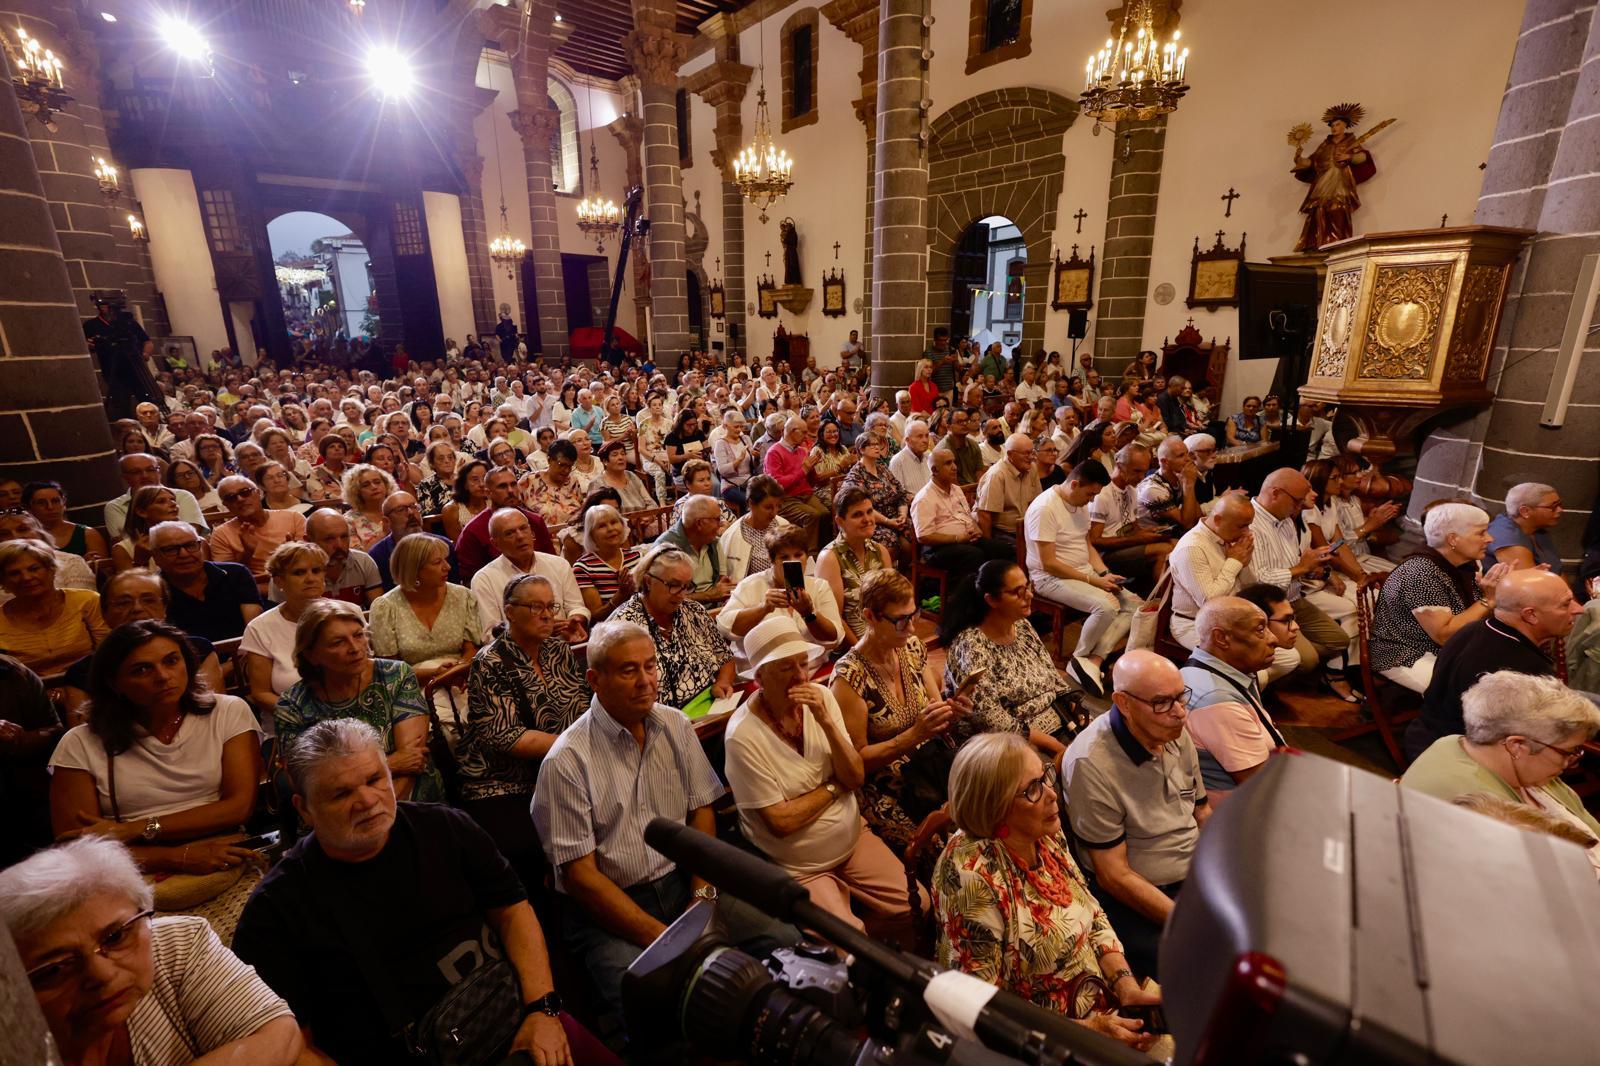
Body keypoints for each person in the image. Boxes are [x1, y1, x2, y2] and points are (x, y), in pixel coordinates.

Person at [232, 719, 601, 1066]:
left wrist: (543, 1010)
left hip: (515, 1024)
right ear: (305, 809)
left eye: (375, 779)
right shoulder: (274, 910)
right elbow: (290, 1043)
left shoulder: (446, 827)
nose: (367, 800)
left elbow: (513, 912)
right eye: (341, 793)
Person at [531, 620, 789, 1025]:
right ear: (594, 680)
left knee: (784, 941)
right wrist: (666, 938)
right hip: (612, 908)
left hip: (683, 882)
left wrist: (702, 898)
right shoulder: (566, 762)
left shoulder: (675, 724)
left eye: (650, 666)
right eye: (628, 670)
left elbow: (701, 810)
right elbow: (581, 878)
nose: (645, 681)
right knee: (640, 1007)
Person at [933, 733, 1160, 1050]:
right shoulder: (970, 877)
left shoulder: (1044, 832)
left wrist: (1125, 985)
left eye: (1044, 777)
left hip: (1098, 1002)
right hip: (1042, 1039)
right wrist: (1088, 1030)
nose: (1052, 794)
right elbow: (983, 1006)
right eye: (1032, 790)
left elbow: (1092, 913)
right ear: (996, 808)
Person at [1, 837, 303, 1066]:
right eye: (56, 967)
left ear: (146, 914)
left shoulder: (177, 942)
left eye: (116, 936)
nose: (102, 974)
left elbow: (278, 1032)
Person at [725, 614, 917, 937]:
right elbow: (781, 823)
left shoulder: (823, 698)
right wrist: (832, 787)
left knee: (916, 905)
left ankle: (857, 946)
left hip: (853, 838)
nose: (801, 677)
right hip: (800, 866)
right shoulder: (741, 736)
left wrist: (826, 721)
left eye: (803, 663)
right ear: (759, 677)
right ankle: (845, 945)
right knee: (847, 939)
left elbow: (854, 776)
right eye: (786, 668)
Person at [49, 621, 262, 879]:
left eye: (172, 661)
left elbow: (238, 807)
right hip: (126, 866)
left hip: (223, 848)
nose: (162, 676)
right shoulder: (79, 743)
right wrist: (176, 857)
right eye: (142, 669)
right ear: (114, 683)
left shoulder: (227, 711)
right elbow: (77, 846)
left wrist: (136, 828)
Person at [1061, 651, 1210, 978]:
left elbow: (1201, 812)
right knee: (1209, 966)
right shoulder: (1091, 763)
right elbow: (1114, 876)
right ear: (1123, 703)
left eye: (1181, 697)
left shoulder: (1172, 732)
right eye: (1162, 702)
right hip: (1143, 897)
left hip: (1194, 877)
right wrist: (1187, 921)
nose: (1180, 713)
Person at [457, 574, 590, 888]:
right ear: (509, 612)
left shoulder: (557, 651)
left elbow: (583, 708)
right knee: (525, 850)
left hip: (559, 767)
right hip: (502, 780)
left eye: (550, 606)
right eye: (535, 607)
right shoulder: (490, 662)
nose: (546, 615)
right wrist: (576, 747)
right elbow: (507, 737)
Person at [274, 599, 443, 802]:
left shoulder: (395, 675)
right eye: (338, 642)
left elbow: (413, 760)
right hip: (337, 808)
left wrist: (384, 811)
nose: (354, 648)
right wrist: (391, 763)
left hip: (410, 795)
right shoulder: (292, 705)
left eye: (358, 635)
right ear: (311, 655)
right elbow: (304, 781)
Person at [1401, 671, 1600, 842]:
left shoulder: (1457, 744)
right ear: (1517, 745)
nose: (1571, 762)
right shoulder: (1485, 811)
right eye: (1568, 752)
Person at [1409, 568, 1580, 762]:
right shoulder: (1524, 672)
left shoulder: (1472, 629)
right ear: (1530, 615)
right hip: (1465, 761)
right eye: (1566, 604)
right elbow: (1534, 744)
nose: (1578, 609)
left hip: (1425, 738)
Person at [1022, 460, 1141, 698]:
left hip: (1082, 572)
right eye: (1089, 494)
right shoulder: (1045, 508)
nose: (1091, 500)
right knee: (1106, 606)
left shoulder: (1080, 502)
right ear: (1074, 484)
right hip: (1049, 578)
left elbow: (1085, 544)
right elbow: (1049, 563)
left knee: (1137, 605)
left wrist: (1104, 573)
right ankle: (1080, 657)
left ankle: (1094, 659)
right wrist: (1093, 581)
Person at [941, 561, 1082, 756]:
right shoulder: (972, 646)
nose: (1029, 595)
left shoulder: (1022, 626)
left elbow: (1051, 675)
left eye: (1027, 587)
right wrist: (1053, 745)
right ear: (991, 600)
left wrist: (1071, 702)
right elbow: (991, 721)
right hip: (1005, 743)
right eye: (1018, 592)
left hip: (1054, 721)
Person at [1239, 468, 1359, 700]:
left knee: (1339, 640)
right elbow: (1258, 581)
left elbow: (1292, 564)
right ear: (1275, 493)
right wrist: (1302, 568)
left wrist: (1311, 567)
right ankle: (1265, 679)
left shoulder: (1285, 520)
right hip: (1267, 606)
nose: (1302, 505)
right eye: (1297, 500)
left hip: (1293, 598)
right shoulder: (1250, 523)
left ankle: (1285, 659)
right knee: (1308, 660)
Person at [1370, 503, 1509, 693]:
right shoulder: (1420, 573)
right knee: (1475, 692)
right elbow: (1445, 635)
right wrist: (1488, 599)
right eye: (1481, 533)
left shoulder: (1462, 566)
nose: (1490, 539)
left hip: (1446, 649)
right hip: (1406, 653)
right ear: (1453, 539)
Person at [1179, 597, 1286, 795]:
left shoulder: (1211, 671)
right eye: (1260, 630)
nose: (1274, 639)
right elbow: (1263, 787)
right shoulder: (1217, 700)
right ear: (1221, 638)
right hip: (1239, 815)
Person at [369, 532, 484, 689]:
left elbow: (471, 650)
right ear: (413, 569)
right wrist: (435, 674)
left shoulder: (463, 596)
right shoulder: (385, 607)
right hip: (411, 687)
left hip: (461, 680)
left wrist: (456, 671)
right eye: (437, 562)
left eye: (446, 560)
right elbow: (389, 669)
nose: (447, 567)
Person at [719, 524, 843, 668]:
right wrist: (763, 608)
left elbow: (834, 638)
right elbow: (725, 627)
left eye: (798, 555)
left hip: (810, 668)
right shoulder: (750, 585)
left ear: (807, 556)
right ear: (772, 560)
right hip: (763, 673)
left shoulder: (819, 587)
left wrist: (809, 614)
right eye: (784, 557)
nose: (792, 561)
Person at [240, 543, 328, 726]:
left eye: (316, 570)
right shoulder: (260, 628)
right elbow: (260, 694)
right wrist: (309, 716)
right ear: (279, 581)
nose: (310, 578)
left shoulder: (349, 613)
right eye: (299, 572)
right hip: (289, 724)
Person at [471, 508, 589, 636]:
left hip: (564, 642)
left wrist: (574, 621)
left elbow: (577, 607)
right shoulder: (484, 579)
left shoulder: (559, 565)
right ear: (496, 544)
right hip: (516, 653)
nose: (520, 536)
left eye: (523, 528)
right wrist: (534, 631)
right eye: (510, 533)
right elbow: (490, 633)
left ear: (532, 534)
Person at [0, 540, 111, 675]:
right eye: (14, 574)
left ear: (52, 570)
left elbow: (107, 653)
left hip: (88, 682)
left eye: (33, 569)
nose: (26, 577)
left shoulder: (87, 601)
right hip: (28, 692)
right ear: (3, 582)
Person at [911, 449, 1012, 573]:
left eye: (954, 462)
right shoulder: (924, 498)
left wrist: (976, 531)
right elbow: (924, 536)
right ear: (934, 470)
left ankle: (997, 590)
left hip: (965, 540)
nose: (954, 467)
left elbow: (967, 515)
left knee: (1003, 549)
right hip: (937, 549)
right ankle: (966, 590)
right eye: (948, 463)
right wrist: (958, 538)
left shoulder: (956, 489)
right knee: (975, 555)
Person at [816, 487, 894, 644]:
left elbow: (892, 601)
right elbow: (835, 619)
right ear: (840, 522)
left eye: (869, 512)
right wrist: (861, 650)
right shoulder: (830, 558)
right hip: (851, 645)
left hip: (883, 636)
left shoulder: (880, 551)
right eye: (857, 515)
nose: (867, 519)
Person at [207, 475, 307, 594]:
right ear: (226, 505)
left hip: (299, 584)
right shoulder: (221, 533)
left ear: (259, 493)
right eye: (231, 497)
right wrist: (247, 553)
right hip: (256, 592)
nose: (240, 499)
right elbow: (228, 578)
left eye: (245, 492)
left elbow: (310, 561)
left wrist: (288, 554)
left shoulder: (294, 518)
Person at [455, 466, 556, 581]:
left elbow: (550, 561)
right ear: (488, 493)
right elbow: (470, 579)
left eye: (513, 484)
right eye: (502, 486)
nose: (510, 491)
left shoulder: (535, 521)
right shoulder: (473, 531)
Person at [365, 491, 457, 592]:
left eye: (414, 507)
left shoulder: (444, 545)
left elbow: (453, 586)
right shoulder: (377, 556)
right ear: (387, 521)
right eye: (401, 510)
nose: (411, 513)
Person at [763, 415, 830, 550]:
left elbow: (811, 483)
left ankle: (825, 550)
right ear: (793, 431)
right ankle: (810, 553)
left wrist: (811, 470)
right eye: (804, 432)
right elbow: (777, 485)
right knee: (812, 516)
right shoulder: (774, 452)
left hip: (806, 495)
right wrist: (803, 470)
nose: (806, 437)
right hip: (786, 498)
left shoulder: (801, 451)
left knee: (826, 513)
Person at [105, 452, 208, 540]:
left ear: (159, 472)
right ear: (124, 478)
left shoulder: (182, 496)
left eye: (150, 469)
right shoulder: (115, 507)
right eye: (136, 472)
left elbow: (191, 534)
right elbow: (128, 542)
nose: (145, 475)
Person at [654, 494, 734, 604]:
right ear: (700, 523)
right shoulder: (666, 548)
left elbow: (721, 580)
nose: (720, 524)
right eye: (717, 519)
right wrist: (708, 596)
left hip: (714, 609)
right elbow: (664, 598)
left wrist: (725, 587)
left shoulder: (713, 541)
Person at [842, 431, 912, 555]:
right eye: (872, 445)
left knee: (916, 529)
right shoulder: (856, 474)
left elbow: (901, 494)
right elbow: (860, 507)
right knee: (890, 540)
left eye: (878, 444)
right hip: (871, 521)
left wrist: (902, 515)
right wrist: (887, 521)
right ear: (862, 449)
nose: (877, 447)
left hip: (895, 517)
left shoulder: (883, 469)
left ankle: (910, 571)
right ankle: (882, 572)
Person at [295, 507, 383, 606]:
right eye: (329, 539)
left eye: (344, 537)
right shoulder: (293, 573)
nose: (339, 545)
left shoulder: (364, 562)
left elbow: (378, 612)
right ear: (308, 541)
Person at [573, 504, 641, 624]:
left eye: (614, 522)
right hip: (609, 630)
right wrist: (621, 595)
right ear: (591, 534)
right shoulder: (583, 568)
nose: (610, 529)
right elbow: (595, 617)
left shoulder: (636, 557)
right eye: (602, 526)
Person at [718, 474, 792, 584]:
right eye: (768, 507)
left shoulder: (783, 525)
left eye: (778, 506)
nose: (774, 512)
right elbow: (727, 580)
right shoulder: (732, 535)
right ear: (751, 503)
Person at [972, 432, 1041, 550]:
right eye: (1026, 453)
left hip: (1026, 529)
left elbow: (1038, 503)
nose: (1031, 457)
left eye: (1032, 452)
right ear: (1010, 454)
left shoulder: (1032, 468)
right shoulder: (997, 475)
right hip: (1002, 532)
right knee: (1024, 552)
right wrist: (989, 547)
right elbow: (984, 515)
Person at [23, 481, 109, 561]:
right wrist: (79, 562)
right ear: (28, 508)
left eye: (55, 501)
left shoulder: (87, 534)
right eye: (41, 503)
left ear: (63, 502)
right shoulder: (25, 538)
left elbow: (104, 571)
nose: (50, 507)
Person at [1488, 482, 1564, 571]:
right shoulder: (1507, 539)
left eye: (1560, 504)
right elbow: (1527, 583)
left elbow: (1557, 571)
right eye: (1553, 506)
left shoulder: (1538, 529)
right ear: (1525, 511)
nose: (1560, 510)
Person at [595, 439, 655, 511]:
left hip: (643, 520)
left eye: (623, 454)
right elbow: (598, 515)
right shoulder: (598, 484)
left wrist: (648, 516)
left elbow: (651, 503)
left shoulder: (631, 476)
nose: (621, 458)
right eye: (615, 455)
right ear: (605, 461)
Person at [889, 418, 933, 496]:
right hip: (912, 506)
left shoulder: (929, 455)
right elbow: (897, 494)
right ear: (907, 440)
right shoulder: (897, 461)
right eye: (920, 436)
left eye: (926, 436)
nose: (925, 440)